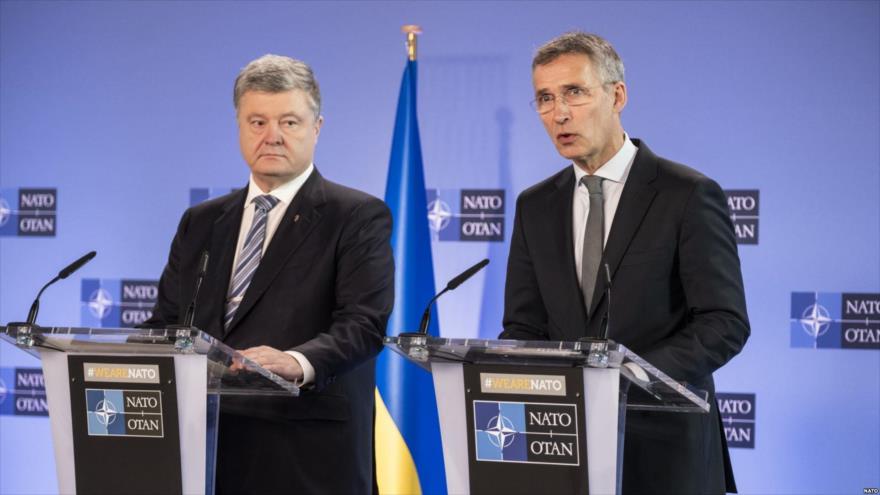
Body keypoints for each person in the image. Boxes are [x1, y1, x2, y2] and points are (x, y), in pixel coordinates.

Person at [501, 32, 750, 494]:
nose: (559, 113)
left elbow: (724, 322)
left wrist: (625, 378)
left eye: (574, 92)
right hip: (563, 448)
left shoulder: (687, 194)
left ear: (618, 95)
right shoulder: (534, 205)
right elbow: (523, 327)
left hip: (665, 453)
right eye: (545, 98)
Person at [144, 54, 394, 494]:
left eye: (290, 122)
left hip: (303, 453)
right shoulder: (201, 221)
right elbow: (166, 323)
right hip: (205, 451)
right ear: (239, 127)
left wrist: (296, 362)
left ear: (317, 128)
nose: (272, 136)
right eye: (257, 122)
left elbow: (363, 325)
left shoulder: (356, 215)